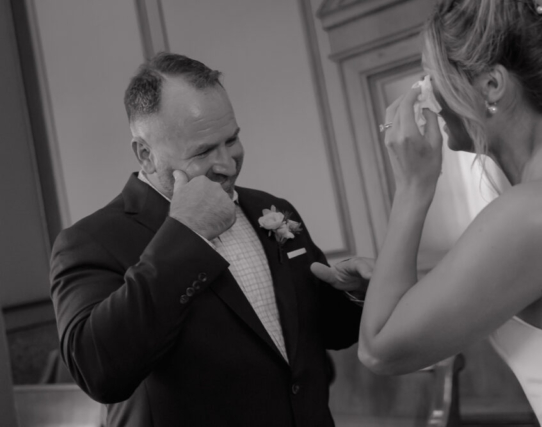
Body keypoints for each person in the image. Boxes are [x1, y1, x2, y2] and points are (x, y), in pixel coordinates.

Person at [354, 0, 542, 426]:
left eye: (432, 79)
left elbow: (379, 350)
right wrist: (391, 288)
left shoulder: (536, 211)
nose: (427, 98)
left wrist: (414, 186)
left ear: (491, 84)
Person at [49, 52, 370, 427]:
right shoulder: (90, 241)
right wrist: (187, 233)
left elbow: (321, 334)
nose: (227, 164)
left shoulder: (271, 207)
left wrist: (353, 295)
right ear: (146, 155)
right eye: (202, 151)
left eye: (231, 139)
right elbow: (99, 372)